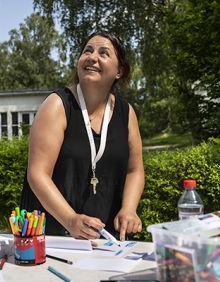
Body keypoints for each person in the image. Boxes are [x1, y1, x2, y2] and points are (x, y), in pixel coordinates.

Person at [21, 31, 145, 241]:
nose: (92, 57)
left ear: (119, 71)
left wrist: (129, 209)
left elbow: (135, 170)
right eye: (88, 50)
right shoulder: (57, 105)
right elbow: (37, 174)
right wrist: (70, 220)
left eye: (104, 53)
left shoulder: (126, 113)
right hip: (54, 237)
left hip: (106, 238)